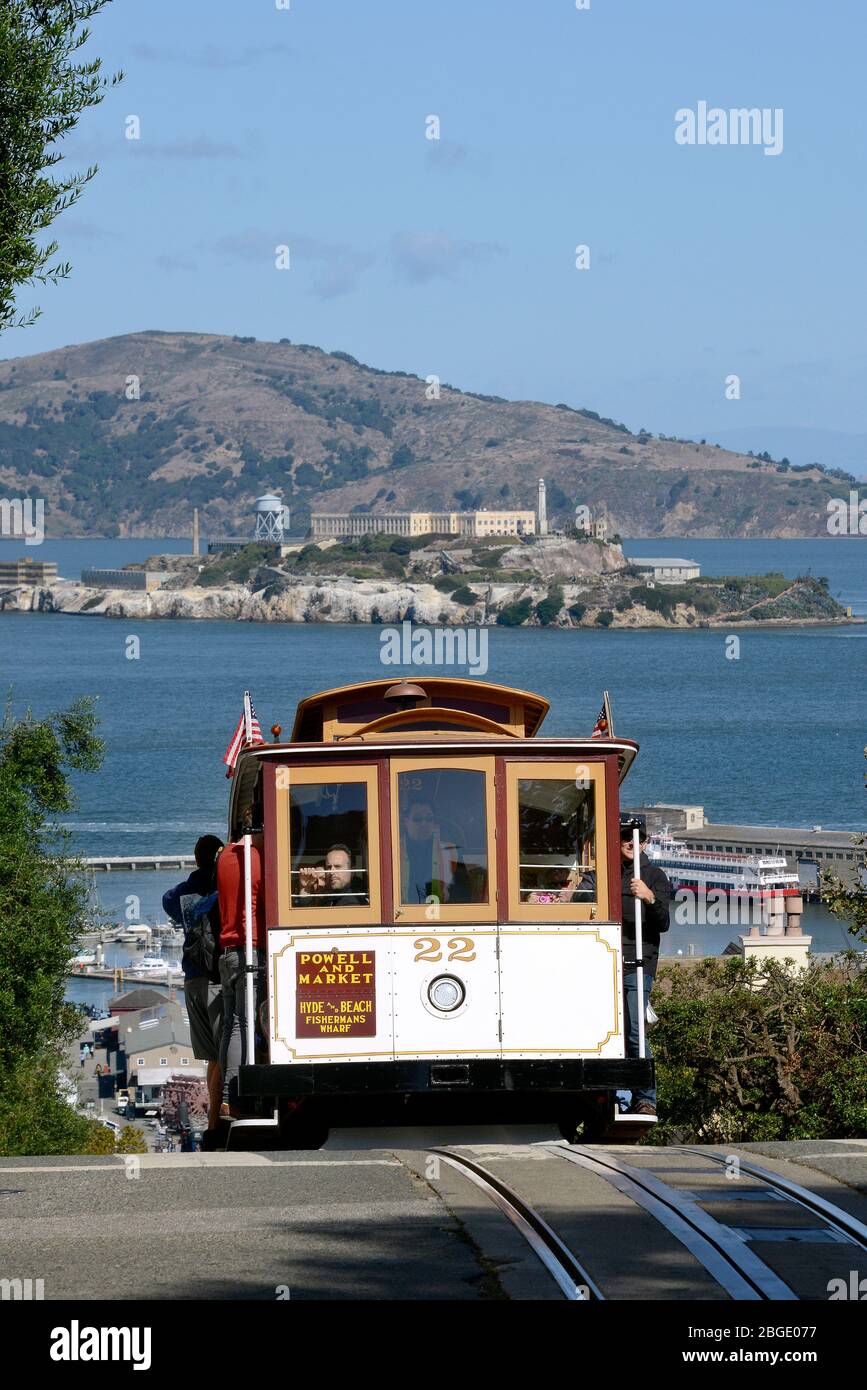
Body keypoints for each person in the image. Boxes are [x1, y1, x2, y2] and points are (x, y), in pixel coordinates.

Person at [559, 813, 670, 1116]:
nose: (630, 844)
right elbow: (579, 903)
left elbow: (663, 924)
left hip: (639, 962)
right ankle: (612, 1095)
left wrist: (648, 898)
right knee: (606, 1031)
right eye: (624, 839)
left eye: (636, 839)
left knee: (636, 1031)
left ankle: (646, 1097)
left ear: (645, 842)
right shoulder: (602, 876)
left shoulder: (656, 877)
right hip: (603, 960)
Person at [162, 834, 225, 1133]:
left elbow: (166, 899)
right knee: (223, 1052)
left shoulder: (182, 894)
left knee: (210, 1055)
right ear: (218, 858)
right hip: (215, 976)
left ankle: (215, 1117)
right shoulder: (220, 887)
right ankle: (216, 1121)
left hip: (191, 978)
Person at [217, 810, 266, 1116]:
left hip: (227, 952)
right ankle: (233, 1096)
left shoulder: (224, 856)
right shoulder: (255, 860)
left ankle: (226, 1094)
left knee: (230, 1027)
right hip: (249, 951)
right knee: (244, 1024)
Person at [399, 795, 471, 905]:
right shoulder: (392, 851)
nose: (424, 823)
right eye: (418, 818)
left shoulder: (451, 851)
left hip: (440, 917)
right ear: (406, 821)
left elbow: (464, 893)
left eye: (429, 818)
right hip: (401, 918)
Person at [297, 844, 368, 906]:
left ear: (352, 872)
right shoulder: (332, 898)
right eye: (328, 867)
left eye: (338, 866)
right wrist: (305, 888)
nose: (331, 872)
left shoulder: (354, 902)